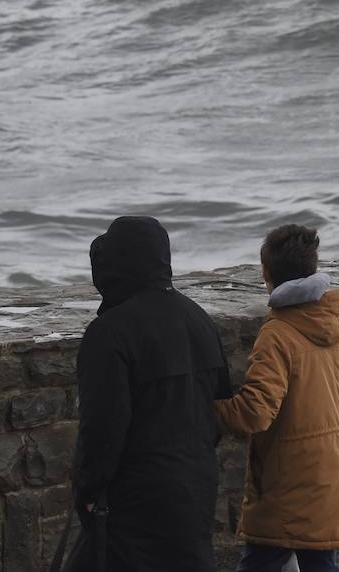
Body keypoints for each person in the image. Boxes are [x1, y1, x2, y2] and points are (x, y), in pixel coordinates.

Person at [65, 216, 232, 572]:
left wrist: (88, 490)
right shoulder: (199, 319)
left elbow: (102, 428)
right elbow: (217, 409)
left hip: (134, 498)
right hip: (195, 486)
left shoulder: (109, 333)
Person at [215, 224, 339, 572]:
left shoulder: (277, 333)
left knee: (263, 563)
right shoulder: (329, 325)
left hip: (289, 484)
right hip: (330, 473)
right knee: (319, 561)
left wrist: (210, 411)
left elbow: (256, 411)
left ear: (266, 273)